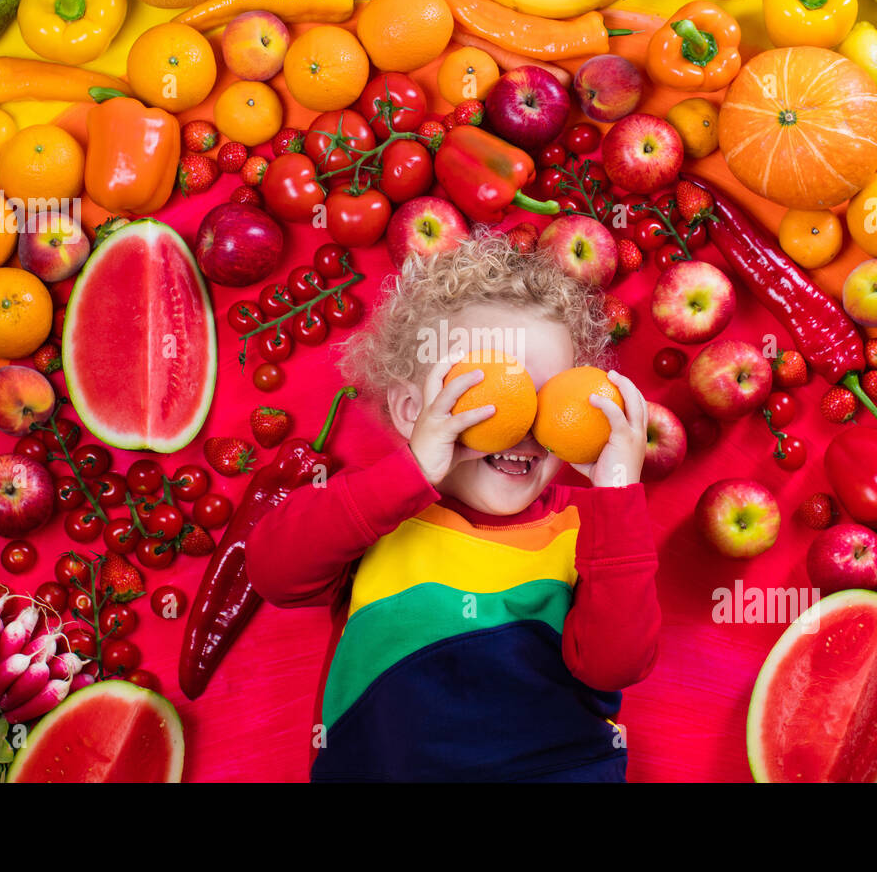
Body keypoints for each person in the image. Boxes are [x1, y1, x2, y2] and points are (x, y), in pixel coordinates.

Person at [245, 236, 661, 782]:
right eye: (492, 394)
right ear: (412, 409)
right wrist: (409, 474)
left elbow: (619, 663)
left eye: (553, 400)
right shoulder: (373, 513)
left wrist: (617, 494)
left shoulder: (591, 528)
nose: (524, 429)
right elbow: (273, 571)